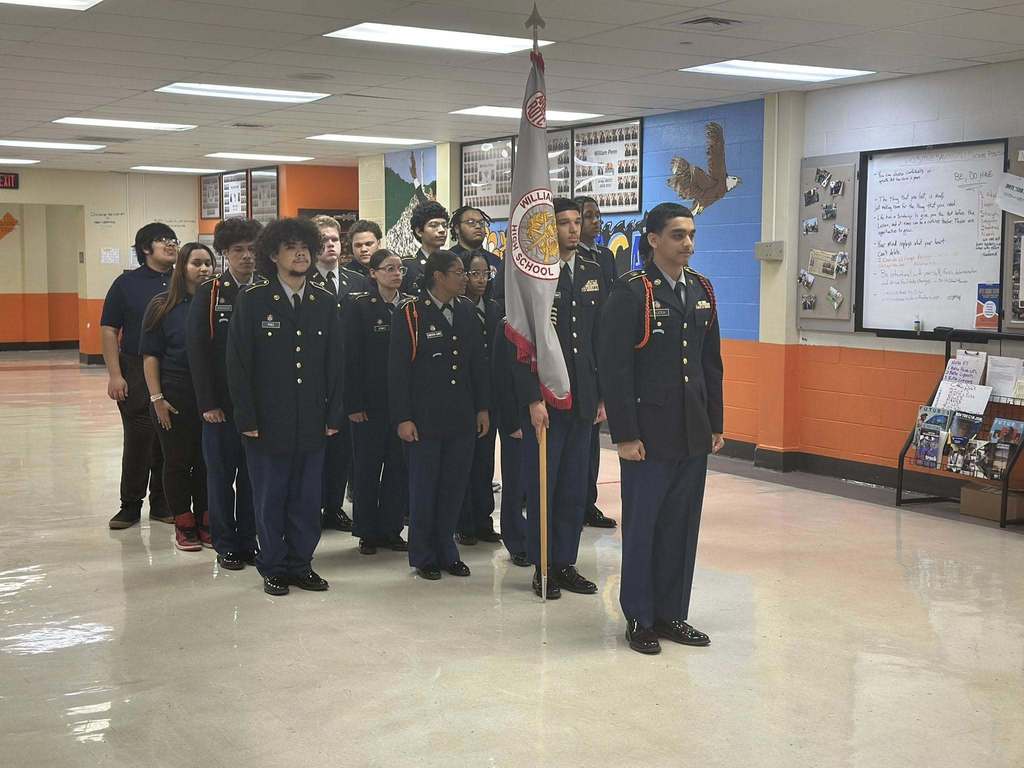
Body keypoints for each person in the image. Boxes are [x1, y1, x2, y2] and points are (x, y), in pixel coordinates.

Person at [598, 202, 724, 655]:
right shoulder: (632, 292)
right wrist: (625, 435)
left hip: (691, 432)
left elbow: (711, 365)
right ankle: (640, 617)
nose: (687, 243)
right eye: (677, 235)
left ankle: (673, 613)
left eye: (691, 234)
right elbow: (614, 370)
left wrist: (716, 424)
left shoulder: (702, 289)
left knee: (681, 527)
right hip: (648, 436)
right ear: (652, 240)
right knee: (645, 527)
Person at [226, 217, 344, 596]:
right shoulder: (254, 299)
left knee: (308, 498)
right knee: (270, 495)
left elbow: (335, 364)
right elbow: (238, 363)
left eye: (305, 247)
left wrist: (333, 414)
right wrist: (246, 416)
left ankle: (301, 563)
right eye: (291, 247)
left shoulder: (324, 301)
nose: (300, 253)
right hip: (267, 420)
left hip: (311, 418)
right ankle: (273, 565)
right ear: (273, 254)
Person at [513, 198, 606, 600]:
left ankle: (566, 562)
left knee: (573, 487)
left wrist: (603, 396)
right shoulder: (532, 277)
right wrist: (532, 398)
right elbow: (521, 343)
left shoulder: (593, 271)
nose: (571, 229)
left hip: (583, 398)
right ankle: (543, 565)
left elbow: (600, 340)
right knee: (544, 487)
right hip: (547, 400)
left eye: (575, 222)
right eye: (562, 223)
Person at [388, 250, 489, 580]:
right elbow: (398, 371)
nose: (464, 277)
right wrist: (403, 417)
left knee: (453, 488)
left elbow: (476, 365)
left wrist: (482, 408)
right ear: (438, 276)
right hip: (424, 419)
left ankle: (447, 549)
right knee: (424, 488)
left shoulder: (465, 311)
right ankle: (423, 553)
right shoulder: (412, 313)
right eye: (458, 272)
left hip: (460, 416)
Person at [186, 217, 262, 570]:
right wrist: (208, 403)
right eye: (238, 250)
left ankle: (248, 539)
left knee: (252, 477)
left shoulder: (266, 290)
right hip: (220, 407)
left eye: (252, 249)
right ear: (225, 254)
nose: (247, 256)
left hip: (258, 408)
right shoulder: (210, 293)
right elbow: (198, 352)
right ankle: (225, 542)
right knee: (220, 477)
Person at [101, 223, 176, 529]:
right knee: (139, 438)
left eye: (174, 240)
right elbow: (109, 329)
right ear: (146, 248)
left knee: (167, 438)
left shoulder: (182, 281)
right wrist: (115, 375)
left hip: (173, 369)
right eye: (163, 240)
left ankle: (162, 504)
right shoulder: (126, 283)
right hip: (134, 366)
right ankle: (130, 505)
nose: (171, 245)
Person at [140, 242, 214, 550]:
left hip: (210, 394)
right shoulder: (162, 305)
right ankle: (184, 523)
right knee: (178, 461)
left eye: (208, 263)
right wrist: (157, 399)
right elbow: (150, 356)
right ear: (182, 267)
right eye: (196, 263)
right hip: (175, 392)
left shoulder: (219, 301)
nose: (204, 269)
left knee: (208, 461)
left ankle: (207, 520)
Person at [344, 249, 411, 555]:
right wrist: (353, 404)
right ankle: (367, 530)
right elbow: (351, 358)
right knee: (368, 469)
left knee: (398, 468)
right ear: (373, 273)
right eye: (389, 269)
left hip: (401, 404)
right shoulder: (359, 306)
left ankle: (391, 528)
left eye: (400, 269)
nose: (396, 274)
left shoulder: (410, 306)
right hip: (368, 404)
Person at [307, 214, 367, 534]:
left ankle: (333, 507)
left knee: (342, 451)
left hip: (348, 379)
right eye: (324, 240)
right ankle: (313, 506)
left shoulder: (357, 282)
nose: (331, 244)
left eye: (334, 238)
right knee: (316, 448)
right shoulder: (303, 281)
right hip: (315, 380)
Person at [574, 195, 618, 531]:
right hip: (573, 358)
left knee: (591, 446)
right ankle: (570, 503)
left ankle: (588, 502)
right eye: (587, 216)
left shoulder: (603, 257)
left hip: (596, 354)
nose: (594, 222)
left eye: (596, 216)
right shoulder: (566, 262)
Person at [456, 249, 502, 545]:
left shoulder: (496, 308)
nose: (481, 279)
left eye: (486, 273)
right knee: (464, 461)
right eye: (474, 273)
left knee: (485, 461)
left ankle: (484, 519)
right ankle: (464, 521)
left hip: (492, 393)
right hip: (463, 394)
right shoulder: (458, 309)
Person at [492, 319, 529, 567]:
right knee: (516, 484)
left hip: (552, 415)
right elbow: (501, 378)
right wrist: (511, 422)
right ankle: (516, 540)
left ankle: (541, 539)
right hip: (518, 415)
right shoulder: (509, 325)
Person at [401, 201, 448, 296]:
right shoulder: (407, 265)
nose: (442, 230)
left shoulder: (452, 263)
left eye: (444, 225)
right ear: (419, 231)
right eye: (434, 225)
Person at [449, 206, 498, 273]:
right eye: (471, 222)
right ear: (457, 228)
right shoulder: (448, 260)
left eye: (481, 223)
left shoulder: (495, 260)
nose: (478, 226)